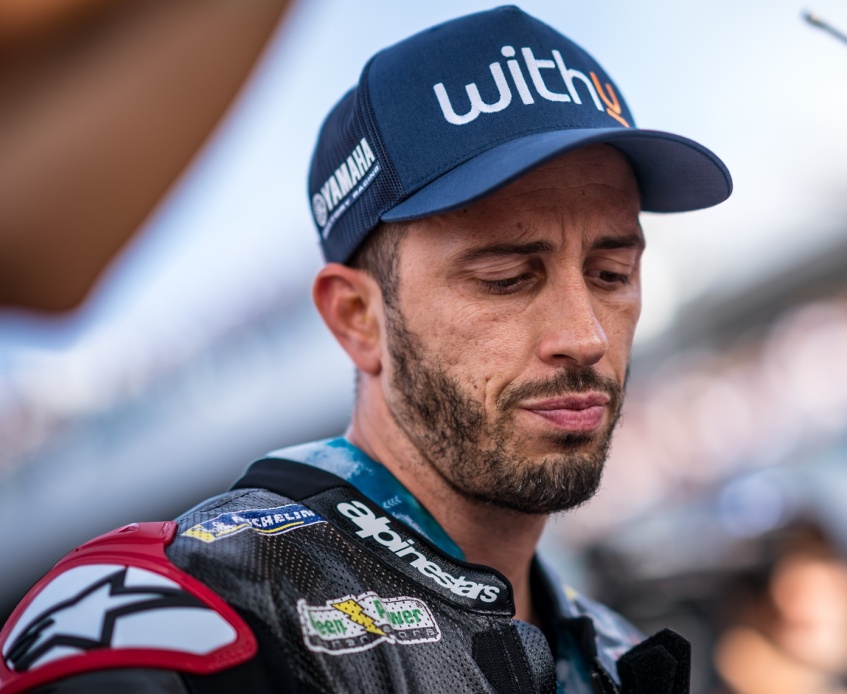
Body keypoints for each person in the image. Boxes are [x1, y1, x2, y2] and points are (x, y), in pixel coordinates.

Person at [0, 7, 730, 693]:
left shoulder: (613, 646)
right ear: (357, 318)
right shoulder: (190, 607)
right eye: (507, 278)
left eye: (612, 274)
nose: (586, 336)